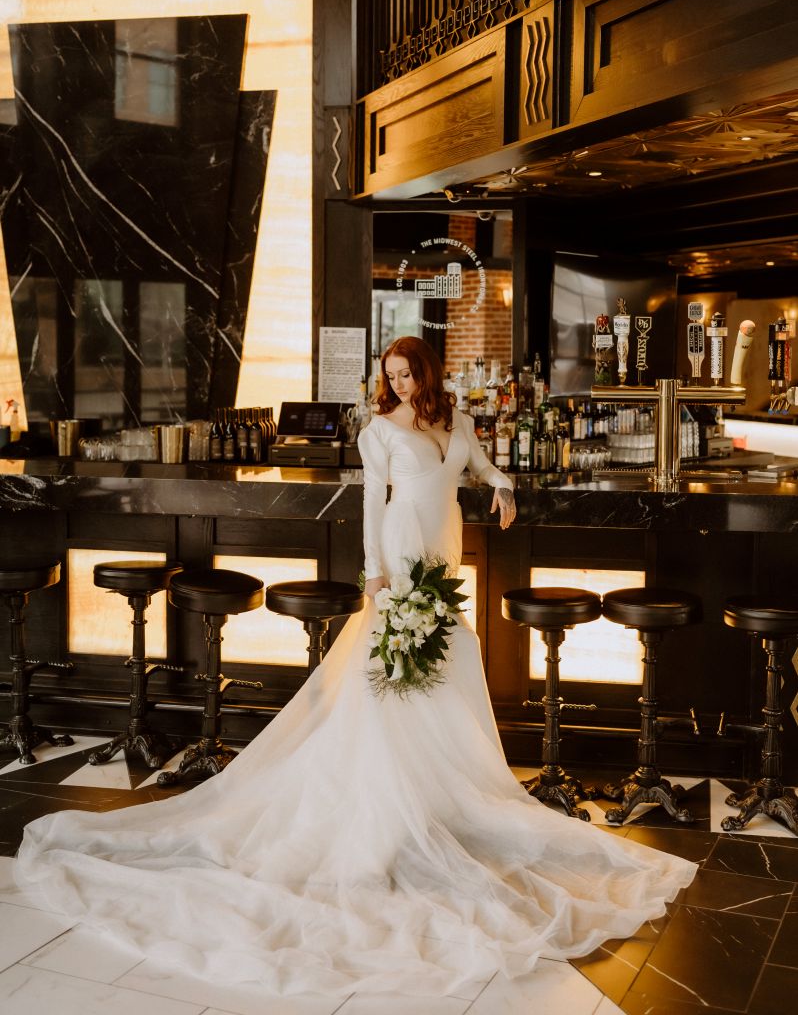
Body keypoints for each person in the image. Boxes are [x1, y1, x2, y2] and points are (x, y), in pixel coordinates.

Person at [14, 336, 696, 998]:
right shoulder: (379, 431)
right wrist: (375, 575)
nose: (398, 384)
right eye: (391, 375)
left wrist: (504, 487)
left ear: (425, 372)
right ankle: (389, 806)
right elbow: (374, 503)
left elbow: (479, 467)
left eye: (407, 374)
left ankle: (436, 795)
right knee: (393, 678)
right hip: (402, 550)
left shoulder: (456, 420)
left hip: (444, 550)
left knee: (445, 664)